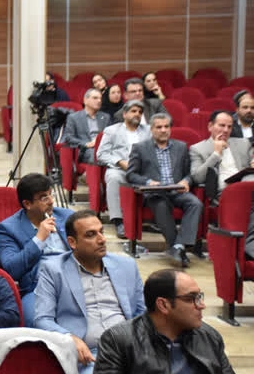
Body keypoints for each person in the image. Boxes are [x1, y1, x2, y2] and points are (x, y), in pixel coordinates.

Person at [92, 269, 246, 374]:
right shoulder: (119, 339)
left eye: (200, 297)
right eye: (191, 298)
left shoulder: (208, 336)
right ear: (163, 305)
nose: (201, 305)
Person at [35, 210, 146, 374]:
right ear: (72, 242)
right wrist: (69, 338)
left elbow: (142, 313)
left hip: (130, 349)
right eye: (91, 235)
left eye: (101, 231)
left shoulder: (126, 266)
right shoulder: (54, 269)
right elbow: (42, 319)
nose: (101, 239)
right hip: (90, 356)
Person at [0, 173, 73, 327]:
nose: (51, 201)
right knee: (35, 322)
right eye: (44, 197)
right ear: (27, 204)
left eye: (51, 194)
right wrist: (38, 239)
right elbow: (11, 269)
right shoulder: (8, 228)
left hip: (74, 279)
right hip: (39, 287)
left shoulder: (67, 217)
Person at [126, 113, 203, 267]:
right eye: (159, 127)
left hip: (177, 190)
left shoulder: (181, 147)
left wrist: (186, 181)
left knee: (195, 203)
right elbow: (131, 174)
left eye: (166, 126)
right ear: (151, 129)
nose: (163, 130)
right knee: (161, 205)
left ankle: (178, 246)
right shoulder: (140, 148)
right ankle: (178, 248)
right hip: (155, 192)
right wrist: (149, 182)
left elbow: (190, 173)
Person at [96, 99, 150, 239]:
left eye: (140, 112)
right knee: (113, 177)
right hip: (120, 169)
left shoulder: (148, 131)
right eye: (133, 111)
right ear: (124, 114)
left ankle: (152, 218)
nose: (137, 114)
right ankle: (118, 221)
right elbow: (101, 155)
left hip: (142, 171)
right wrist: (120, 162)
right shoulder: (112, 130)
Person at [190, 110, 254, 204]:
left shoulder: (243, 143)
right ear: (210, 126)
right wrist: (216, 154)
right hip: (224, 192)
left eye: (229, 127)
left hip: (247, 187)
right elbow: (198, 178)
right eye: (222, 125)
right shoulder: (198, 149)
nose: (226, 130)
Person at [63, 88, 111, 164]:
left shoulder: (105, 117)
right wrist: (86, 144)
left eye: (100, 98)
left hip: (104, 147)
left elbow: (110, 135)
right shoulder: (73, 117)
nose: (99, 101)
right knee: (94, 153)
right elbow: (69, 137)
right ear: (85, 100)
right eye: (95, 98)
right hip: (85, 149)